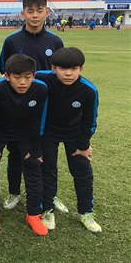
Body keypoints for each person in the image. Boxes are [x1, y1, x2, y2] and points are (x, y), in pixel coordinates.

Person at [0, 0, 65, 213]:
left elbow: (60, 72)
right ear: (23, 13)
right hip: (16, 108)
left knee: (46, 154)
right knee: (15, 152)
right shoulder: (12, 41)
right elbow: (4, 72)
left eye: (39, 10)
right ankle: (14, 192)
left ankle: (50, 194)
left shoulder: (55, 41)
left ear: (47, 12)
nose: (35, 15)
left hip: (46, 107)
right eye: (30, 11)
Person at [36, 48, 101, 233]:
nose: (68, 73)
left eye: (74, 68)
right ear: (53, 68)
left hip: (74, 134)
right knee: (47, 170)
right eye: (63, 68)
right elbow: (20, 75)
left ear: (81, 68)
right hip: (48, 133)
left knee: (82, 172)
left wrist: (84, 145)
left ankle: (85, 212)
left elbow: (90, 120)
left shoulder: (89, 90)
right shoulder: (42, 78)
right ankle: (47, 209)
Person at [0, 54, 49, 236]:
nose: (23, 82)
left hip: (25, 133)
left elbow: (40, 120)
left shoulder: (41, 89)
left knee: (34, 165)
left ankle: (34, 214)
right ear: (6, 76)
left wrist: (35, 149)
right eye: (17, 77)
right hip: (0, 132)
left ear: (34, 76)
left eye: (28, 77)